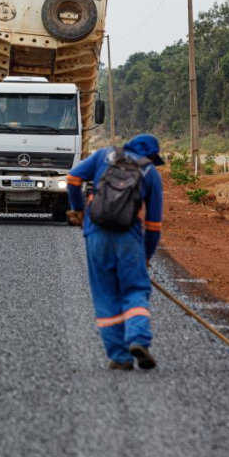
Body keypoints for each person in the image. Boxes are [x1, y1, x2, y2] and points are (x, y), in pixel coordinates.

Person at [65, 134, 164, 371]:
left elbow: (72, 178)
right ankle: (138, 339)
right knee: (135, 289)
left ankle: (120, 357)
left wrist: (78, 209)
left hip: (96, 234)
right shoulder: (150, 173)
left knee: (105, 294)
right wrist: (147, 255)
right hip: (128, 237)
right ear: (151, 155)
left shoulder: (103, 155)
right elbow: (153, 225)